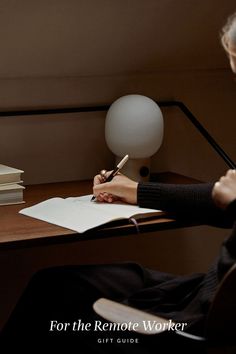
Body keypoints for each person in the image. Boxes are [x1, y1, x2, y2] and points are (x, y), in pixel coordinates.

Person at [1, 12, 236, 354]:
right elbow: (220, 198)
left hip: (200, 320)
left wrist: (230, 201)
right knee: (55, 284)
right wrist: (135, 191)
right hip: (200, 290)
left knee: (59, 308)